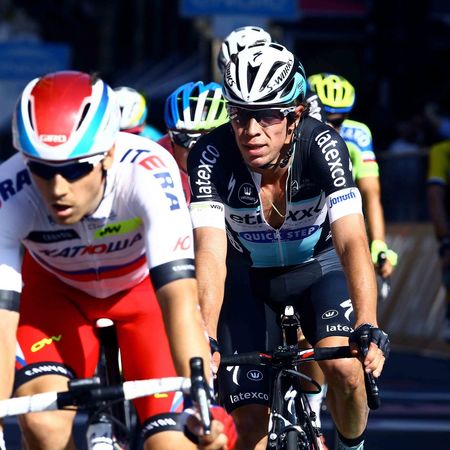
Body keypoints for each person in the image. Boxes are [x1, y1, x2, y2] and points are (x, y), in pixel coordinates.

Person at [0, 70, 236, 450]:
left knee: (174, 444)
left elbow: (179, 299)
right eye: (41, 169)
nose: (58, 188)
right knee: (44, 425)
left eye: (75, 169)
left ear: (108, 153)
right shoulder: (9, 190)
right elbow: (1, 320)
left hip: (141, 295)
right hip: (55, 297)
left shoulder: (149, 172)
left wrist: (202, 403)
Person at [188, 42, 390, 450]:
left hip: (317, 269)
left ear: (295, 115)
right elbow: (209, 252)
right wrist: (204, 336)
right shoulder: (210, 154)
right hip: (246, 281)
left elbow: (352, 240)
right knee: (249, 424)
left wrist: (367, 323)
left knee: (347, 373)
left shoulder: (323, 145)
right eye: (239, 114)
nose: (251, 130)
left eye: (267, 115)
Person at [308, 72, 398, 279]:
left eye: (338, 120)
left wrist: (378, 244)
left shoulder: (358, 135)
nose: (330, 127)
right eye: (324, 117)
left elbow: (371, 193)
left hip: (337, 222)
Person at [158, 81, 229, 203]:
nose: (195, 148)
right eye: (184, 138)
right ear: (169, 135)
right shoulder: (157, 161)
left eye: (208, 138)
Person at [426, 139, 450, 342]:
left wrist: (444, 240)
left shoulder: (442, 150)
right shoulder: (442, 151)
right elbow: (435, 196)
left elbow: (434, 196)